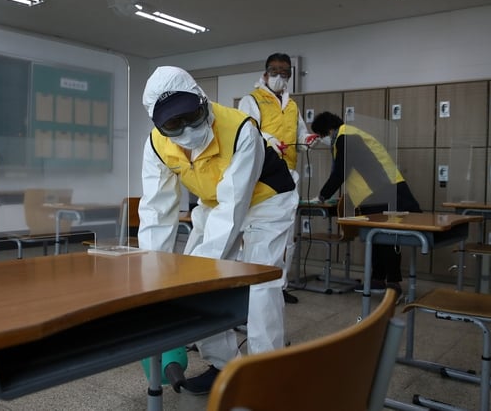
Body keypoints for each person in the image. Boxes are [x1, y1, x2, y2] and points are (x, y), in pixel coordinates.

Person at [138, 66, 299, 394]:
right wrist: (153, 277)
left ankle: (266, 374)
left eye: (192, 116)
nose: (186, 130)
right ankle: (224, 365)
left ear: (202, 99)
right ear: (158, 124)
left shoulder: (241, 129)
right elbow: (157, 212)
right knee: (198, 289)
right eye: (173, 124)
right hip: (214, 202)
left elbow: (234, 208)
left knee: (260, 284)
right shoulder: (156, 145)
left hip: (267, 200)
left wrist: (198, 271)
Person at [310, 111, 422, 298]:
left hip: (381, 192)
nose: (322, 140)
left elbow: (341, 171)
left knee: (386, 239)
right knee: (376, 238)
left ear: (329, 130)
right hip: (380, 192)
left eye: (321, 136)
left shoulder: (346, 138)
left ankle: (393, 287)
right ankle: (377, 281)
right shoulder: (352, 134)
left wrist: (321, 196)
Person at [237, 53, 319, 304]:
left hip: (289, 175)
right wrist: (270, 141)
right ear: (265, 74)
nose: (279, 76)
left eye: (285, 73)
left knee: (286, 235)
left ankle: (279, 285)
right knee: (256, 233)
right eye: (275, 71)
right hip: (263, 175)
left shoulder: (292, 105)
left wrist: (307, 140)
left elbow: (300, 135)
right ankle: (247, 284)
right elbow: (247, 132)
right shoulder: (251, 100)